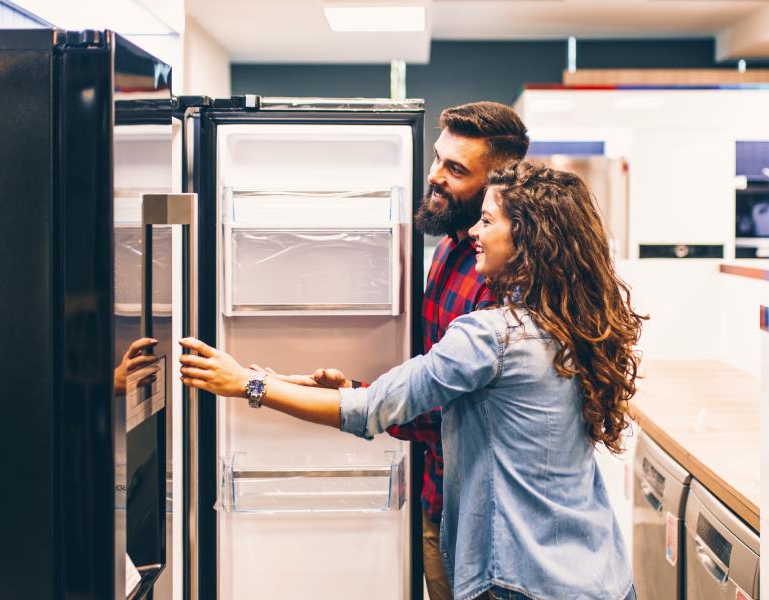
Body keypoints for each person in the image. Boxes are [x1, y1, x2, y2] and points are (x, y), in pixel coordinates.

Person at [179, 161, 644, 600]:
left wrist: (247, 386)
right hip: (600, 572)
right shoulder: (576, 324)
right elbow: (426, 400)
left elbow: (368, 412)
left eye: (487, 221)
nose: (475, 234)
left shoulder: (493, 335)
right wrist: (314, 386)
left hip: (522, 579)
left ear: (524, 235)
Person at [271, 101, 530, 600]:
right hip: (438, 489)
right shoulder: (452, 247)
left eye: (456, 169)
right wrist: (356, 390)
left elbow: (444, 408)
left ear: (499, 183)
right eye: (437, 159)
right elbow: (432, 376)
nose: (435, 176)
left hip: (483, 515)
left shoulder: (497, 282)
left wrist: (260, 386)